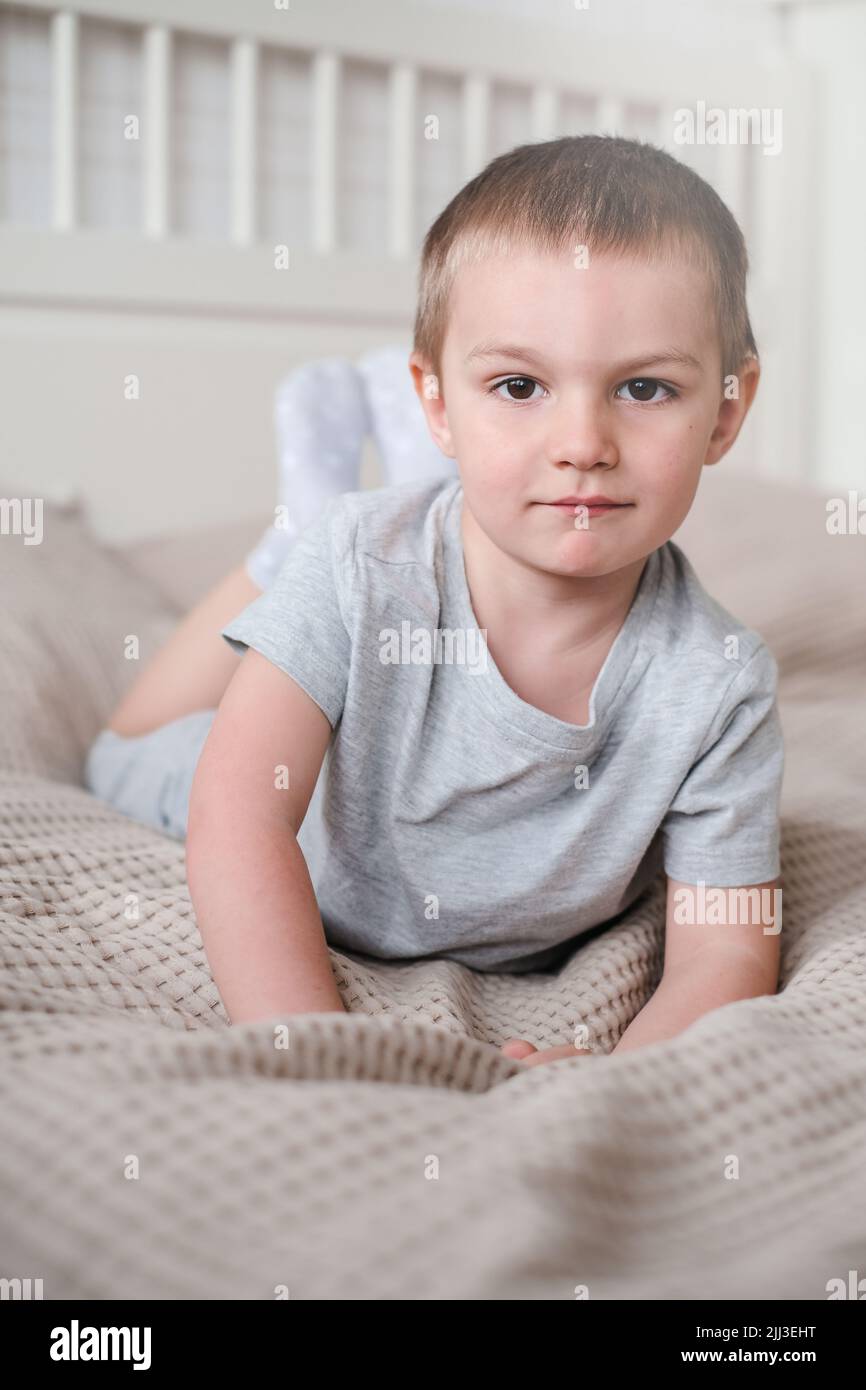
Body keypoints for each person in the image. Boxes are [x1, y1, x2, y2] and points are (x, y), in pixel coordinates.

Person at [85, 135, 784, 1064]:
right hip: (297, 785)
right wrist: (314, 1049)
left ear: (727, 413)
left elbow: (727, 947)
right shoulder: (363, 571)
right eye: (520, 386)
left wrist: (612, 1078)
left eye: (645, 388)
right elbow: (238, 815)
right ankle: (291, 535)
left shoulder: (721, 684)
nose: (583, 442)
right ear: (439, 403)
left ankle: (458, 473)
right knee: (117, 751)